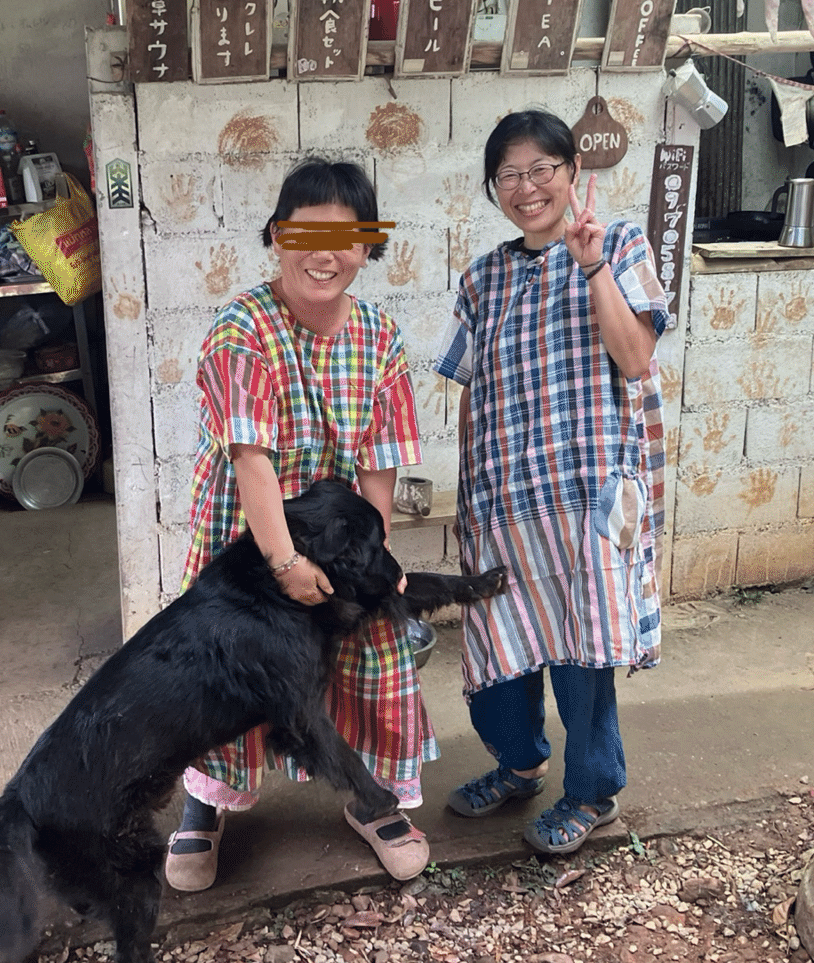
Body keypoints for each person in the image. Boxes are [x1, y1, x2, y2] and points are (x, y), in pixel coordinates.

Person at [164, 158, 433, 891]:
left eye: (346, 237)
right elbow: (250, 459)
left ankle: (373, 798)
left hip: (339, 541)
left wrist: (372, 558)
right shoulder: (241, 328)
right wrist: (284, 563)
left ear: (368, 246)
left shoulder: (379, 336)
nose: (325, 254)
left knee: (373, 652)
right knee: (228, 665)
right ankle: (205, 801)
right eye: (306, 234)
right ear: (278, 236)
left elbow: (379, 461)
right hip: (247, 540)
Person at [434, 109, 668, 855]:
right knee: (498, 648)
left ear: (572, 173)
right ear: (493, 187)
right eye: (509, 174)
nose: (526, 187)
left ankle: (593, 791)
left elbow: (636, 357)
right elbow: (471, 390)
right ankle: (520, 763)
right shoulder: (482, 279)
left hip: (585, 497)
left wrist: (592, 265)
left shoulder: (620, 244)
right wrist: (467, 496)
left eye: (542, 169)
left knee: (580, 652)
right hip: (504, 501)